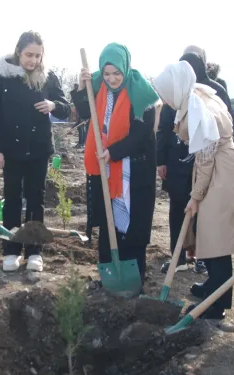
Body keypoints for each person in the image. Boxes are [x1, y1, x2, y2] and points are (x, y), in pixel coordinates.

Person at [153, 61, 234, 325]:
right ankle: (213, 284)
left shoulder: (199, 110)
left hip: (221, 172)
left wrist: (195, 196)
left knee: (216, 235)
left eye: (164, 93)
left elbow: (207, 157)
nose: (163, 99)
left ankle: (218, 302)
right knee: (209, 231)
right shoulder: (198, 95)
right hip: (221, 166)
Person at [73, 43, 159, 287]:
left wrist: (114, 151)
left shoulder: (141, 92)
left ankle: (135, 278)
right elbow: (85, 112)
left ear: (125, 68)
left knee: (133, 224)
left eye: (117, 73)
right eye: (107, 73)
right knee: (107, 219)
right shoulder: (96, 83)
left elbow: (141, 135)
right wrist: (82, 87)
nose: (111, 79)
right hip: (106, 168)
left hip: (134, 168)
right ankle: (108, 276)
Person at [0, 31, 70, 272]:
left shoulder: (48, 77)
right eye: (28, 55)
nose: (33, 60)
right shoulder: (2, 77)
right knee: (12, 198)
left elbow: (65, 108)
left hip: (39, 148)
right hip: (11, 149)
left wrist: (54, 105)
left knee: (36, 200)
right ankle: (11, 250)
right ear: (18, 52)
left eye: (37, 56)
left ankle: (34, 251)